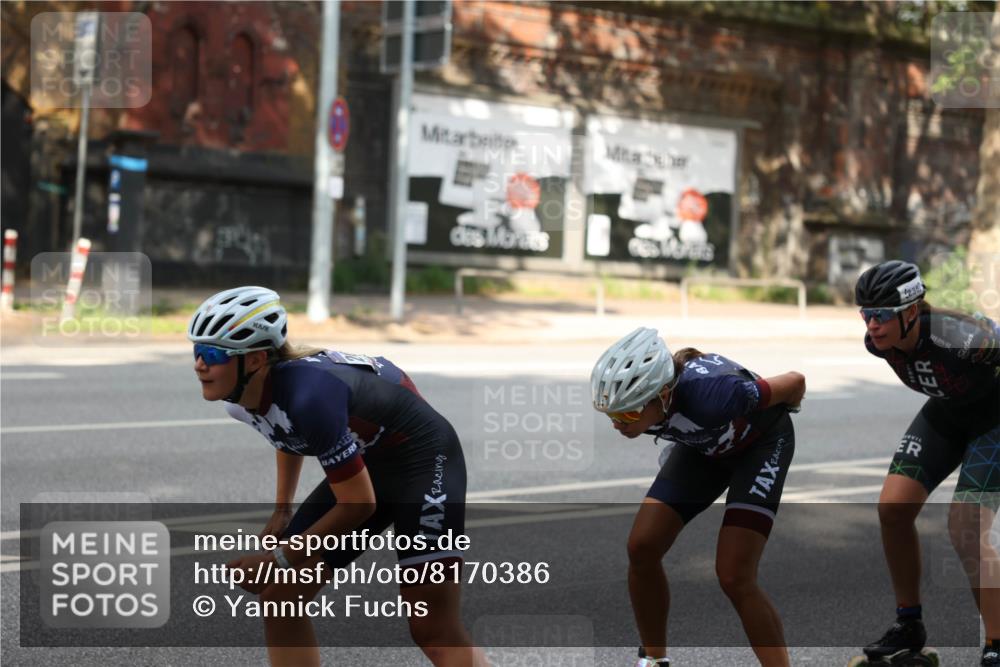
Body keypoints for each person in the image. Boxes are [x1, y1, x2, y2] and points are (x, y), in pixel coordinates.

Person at [188, 286, 487, 667]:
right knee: (281, 595)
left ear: (257, 360)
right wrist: (282, 511)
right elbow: (285, 432)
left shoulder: (309, 395)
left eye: (213, 354)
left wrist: (278, 557)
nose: (199, 364)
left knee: (433, 630)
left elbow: (359, 504)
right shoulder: (240, 401)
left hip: (424, 459)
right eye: (196, 351)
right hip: (371, 461)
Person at [591, 327, 806, 667]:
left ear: (661, 394)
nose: (619, 424)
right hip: (704, 447)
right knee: (642, 547)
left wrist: (759, 412)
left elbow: (796, 382)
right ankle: (654, 660)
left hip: (761, 444)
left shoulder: (718, 394)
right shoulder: (651, 405)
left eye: (628, 414)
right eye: (612, 416)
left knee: (734, 575)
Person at [854, 260, 1000, 667]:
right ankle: (909, 625)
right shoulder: (878, 341)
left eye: (882, 315)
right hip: (947, 413)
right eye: (866, 315)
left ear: (913, 311)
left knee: (966, 529)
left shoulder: (964, 336)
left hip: (994, 420)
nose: (872, 325)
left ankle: (997, 641)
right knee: (892, 510)